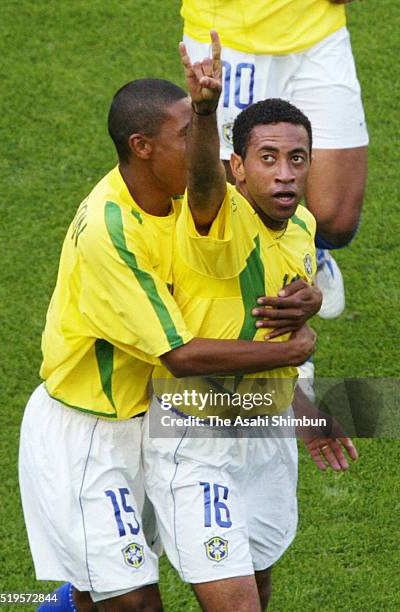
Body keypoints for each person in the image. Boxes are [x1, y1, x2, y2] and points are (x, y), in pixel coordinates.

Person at [19, 78, 319, 612]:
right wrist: (292, 351)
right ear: (143, 147)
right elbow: (178, 356)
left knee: (109, 586)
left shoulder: (181, 200)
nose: (210, 153)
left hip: (165, 413)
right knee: (133, 600)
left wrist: (307, 300)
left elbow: (247, 277)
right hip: (95, 427)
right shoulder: (110, 233)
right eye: (189, 134)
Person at [142, 32, 358, 612]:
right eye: (267, 159)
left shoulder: (305, 228)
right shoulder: (219, 216)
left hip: (263, 433)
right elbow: (203, 182)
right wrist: (207, 113)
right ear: (237, 168)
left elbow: (275, 340)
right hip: (194, 434)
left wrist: (306, 413)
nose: (285, 174)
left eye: (297, 159)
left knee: (258, 581)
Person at [180, 0, 369, 320]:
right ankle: (282, 341)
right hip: (230, 37)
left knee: (337, 220)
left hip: (319, 34)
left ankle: (311, 248)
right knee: (240, 212)